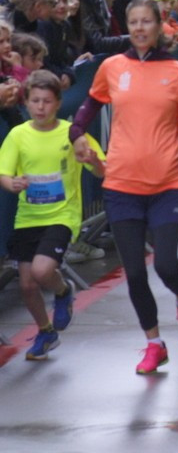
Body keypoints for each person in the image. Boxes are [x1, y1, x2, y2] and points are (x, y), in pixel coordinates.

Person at [69, 0, 178, 373]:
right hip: (121, 184)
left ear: (160, 25)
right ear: (127, 27)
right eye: (134, 22)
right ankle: (154, 342)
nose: (141, 28)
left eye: (148, 21)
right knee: (133, 272)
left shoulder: (177, 72)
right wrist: (77, 133)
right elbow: (88, 106)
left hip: (168, 183)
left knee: (166, 265)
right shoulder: (113, 67)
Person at [0, 71, 105, 360]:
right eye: (35, 101)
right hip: (28, 217)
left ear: (59, 103)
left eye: (47, 101)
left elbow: (101, 170)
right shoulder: (18, 135)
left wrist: (95, 162)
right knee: (26, 284)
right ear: (26, 103)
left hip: (62, 215)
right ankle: (46, 331)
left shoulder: (72, 134)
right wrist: (14, 184)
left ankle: (63, 290)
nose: (41, 107)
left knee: (42, 270)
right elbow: (4, 175)